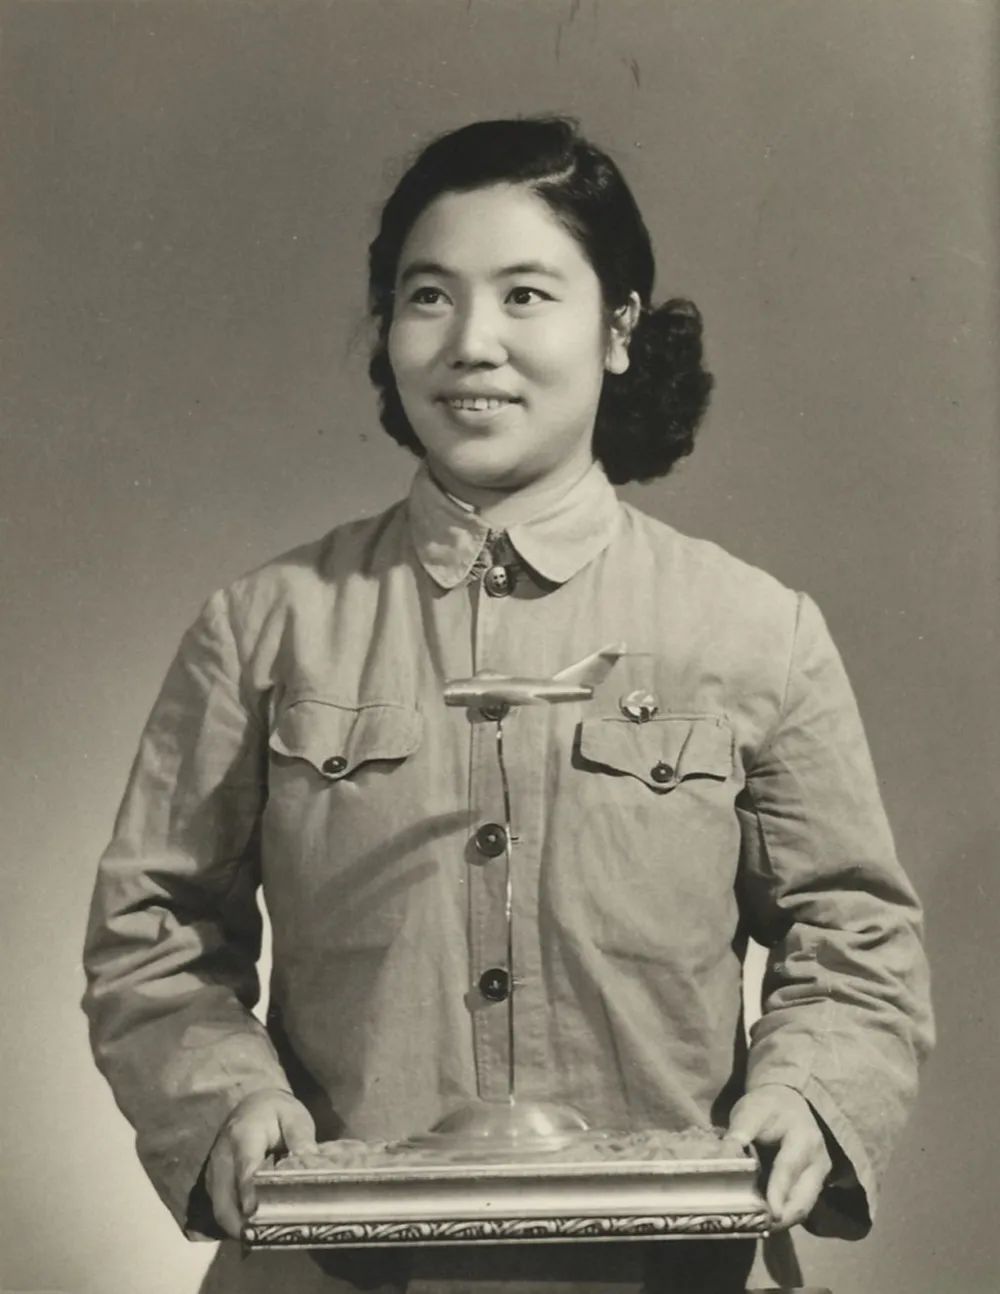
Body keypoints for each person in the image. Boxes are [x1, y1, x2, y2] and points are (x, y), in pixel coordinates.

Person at [83, 117, 933, 1293]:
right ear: (387, 329)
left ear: (618, 330)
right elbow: (155, 929)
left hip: (668, 1270)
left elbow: (855, 931)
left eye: (526, 295)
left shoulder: (755, 630)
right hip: (324, 1268)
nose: (471, 343)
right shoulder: (263, 626)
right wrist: (226, 1099)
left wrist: (808, 1092)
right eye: (427, 297)